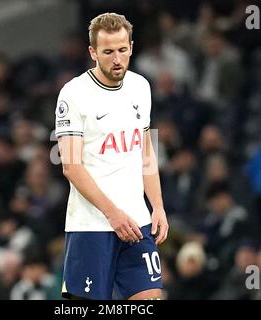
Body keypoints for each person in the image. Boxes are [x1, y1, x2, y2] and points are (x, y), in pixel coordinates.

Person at [55, 13, 169, 300]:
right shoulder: (73, 94)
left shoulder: (141, 86)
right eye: (108, 52)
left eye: (122, 50)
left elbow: (146, 149)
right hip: (92, 226)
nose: (116, 59)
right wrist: (112, 214)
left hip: (137, 222)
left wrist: (157, 205)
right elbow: (70, 166)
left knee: (150, 298)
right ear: (93, 52)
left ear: (131, 46)